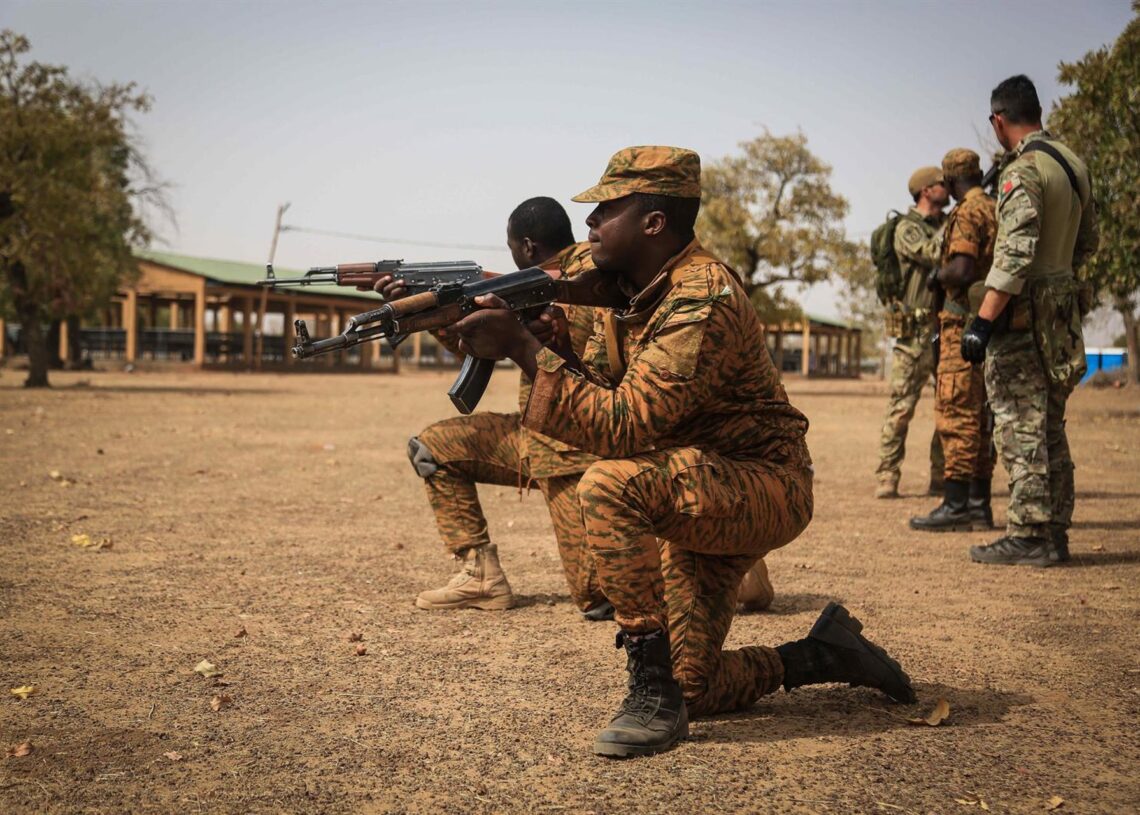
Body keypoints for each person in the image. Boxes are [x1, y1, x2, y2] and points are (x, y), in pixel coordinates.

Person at [448, 146, 915, 758]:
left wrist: (524, 351)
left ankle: (650, 691)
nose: (588, 223)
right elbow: (604, 377)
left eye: (605, 210)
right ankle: (823, 653)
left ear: (654, 223)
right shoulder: (634, 288)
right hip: (694, 484)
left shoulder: (702, 297)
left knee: (609, 484)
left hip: (761, 484)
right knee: (697, 684)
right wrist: (499, 324)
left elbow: (624, 424)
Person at [399, 197, 610, 618]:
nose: (511, 256)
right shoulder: (535, 284)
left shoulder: (591, 276)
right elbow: (482, 352)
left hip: (581, 451)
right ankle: (480, 577)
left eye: (512, 246)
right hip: (536, 436)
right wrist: (437, 314)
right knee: (434, 447)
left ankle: (719, 565)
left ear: (528, 246)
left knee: (597, 596)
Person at [961, 75, 1099, 566]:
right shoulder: (1073, 164)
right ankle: (1055, 533)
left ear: (999, 121)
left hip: (1023, 319)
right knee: (1051, 428)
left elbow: (1015, 254)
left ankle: (1028, 532)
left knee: (1020, 425)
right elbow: (1088, 244)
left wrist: (981, 322)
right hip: (1061, 316)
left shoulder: (1025, 171)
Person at [910, 149, 997, 533]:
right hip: (987, 327)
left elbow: (961, 269)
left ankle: (956, 504)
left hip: (960, 327)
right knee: (980, 420)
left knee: (956, 414)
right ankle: (979, 505)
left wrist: (936, 278)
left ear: (949, 181)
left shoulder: (966, 213)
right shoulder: (995, 207)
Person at [875, 167, 948, 499]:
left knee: (948, 407)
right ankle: (887, 475)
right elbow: (934, 253)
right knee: (901, 407)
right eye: (942, 185)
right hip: (913, 336)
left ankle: (941, 476)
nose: (948, 189)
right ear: (925, 191)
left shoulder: (943, 224)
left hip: (944, 330)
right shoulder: (908, 229)